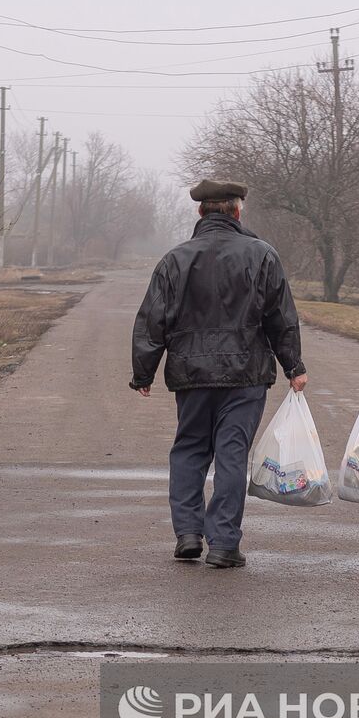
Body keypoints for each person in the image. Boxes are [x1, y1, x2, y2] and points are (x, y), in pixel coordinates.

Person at [131, 179, 307, 569]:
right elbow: (281, 317)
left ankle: (189, 534)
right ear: (237, 210)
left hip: (191, 373)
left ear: (200, 212)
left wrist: (143, 371)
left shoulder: (175, 259)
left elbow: (151, 319)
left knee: (190, 449)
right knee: (232, 454)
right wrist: (293, 365)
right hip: (245, 375)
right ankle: (225, 544)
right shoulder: (262, 255)